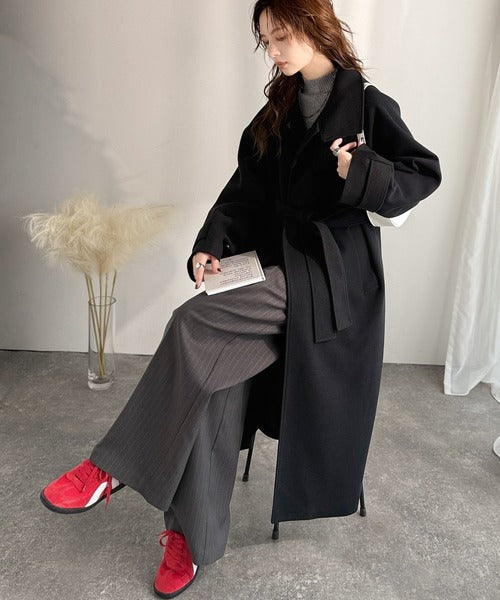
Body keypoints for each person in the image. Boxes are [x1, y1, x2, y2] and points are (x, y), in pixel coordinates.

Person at [39, 0, 442, 597]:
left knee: (191, 322)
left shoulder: (367, 104)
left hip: (332, 281)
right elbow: (241, 196)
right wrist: (210, 246)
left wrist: (358, 170)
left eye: (282, 37)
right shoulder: (277, 110)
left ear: (315, 27)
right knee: (214, 373)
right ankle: (191, 538)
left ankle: (111, 465)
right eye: (266, 41)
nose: (273, 52)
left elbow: (422, 174)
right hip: (278, 264)